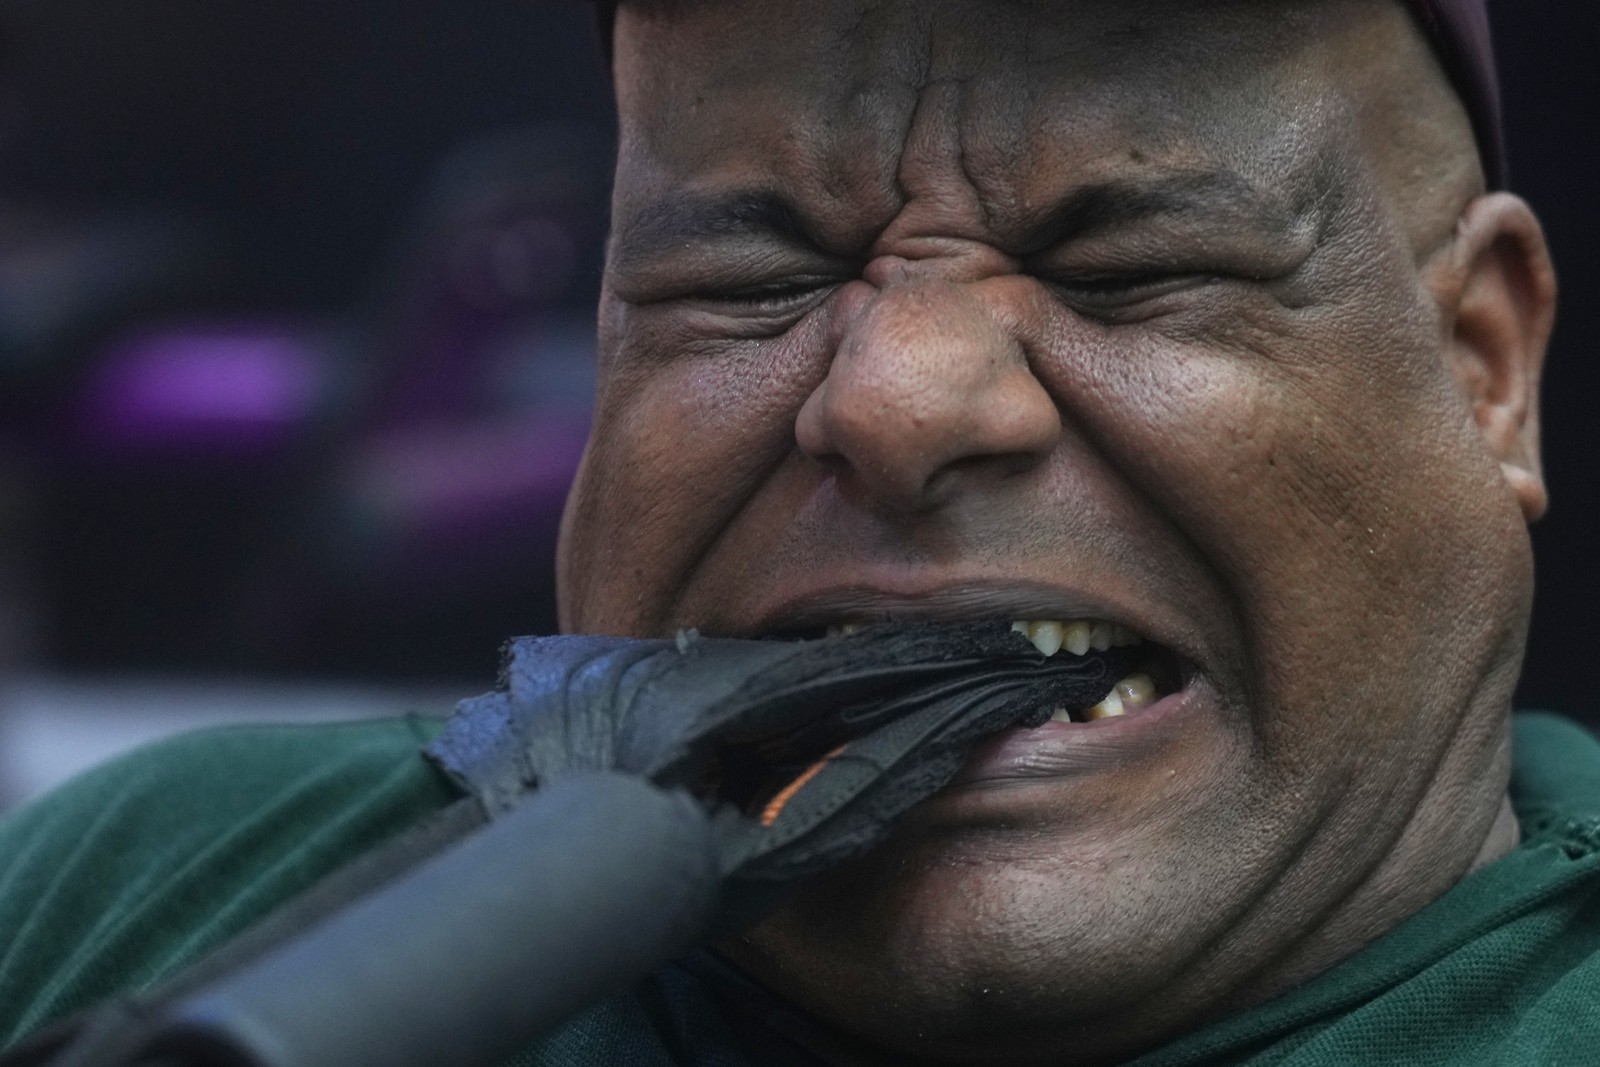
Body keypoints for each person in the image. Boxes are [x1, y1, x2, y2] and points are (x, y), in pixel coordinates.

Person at [2, 0, 1593, 1064]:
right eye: (746, 286)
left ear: (1486, 370)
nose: (897, 401)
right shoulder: (149, 887)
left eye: (1131, 269)